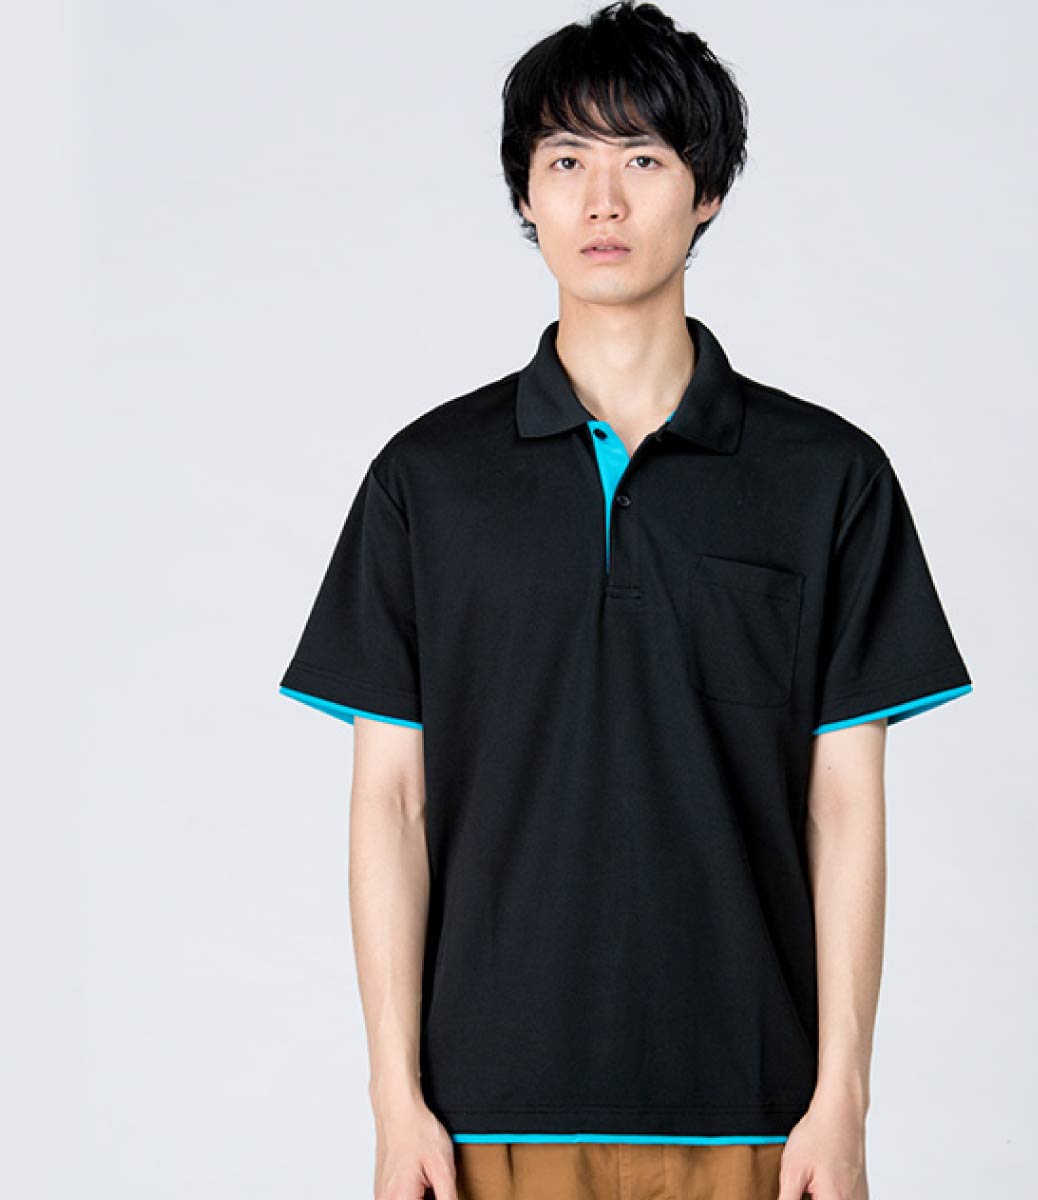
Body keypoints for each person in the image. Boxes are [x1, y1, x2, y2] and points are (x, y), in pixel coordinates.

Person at [278, 3, 974, 1198]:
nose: (602, 201)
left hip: (755, 1110)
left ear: (707, 193)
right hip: (485, 1112)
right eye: (566, 162)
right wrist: (395, 1102)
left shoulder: (827, 478)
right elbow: (391, 802)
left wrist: (842, 1103)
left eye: (643, 160)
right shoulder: (426, 482)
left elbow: (845, 806)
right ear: (525, 193)